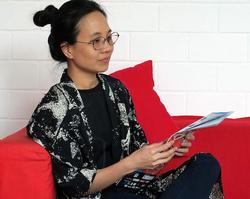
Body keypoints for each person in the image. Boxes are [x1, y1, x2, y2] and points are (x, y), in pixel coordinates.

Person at [27, 0, 224, 198]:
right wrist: (132, 163)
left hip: (133, 188)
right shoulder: (54, 108)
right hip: (98, 196)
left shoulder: (117, 89)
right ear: (68, 49)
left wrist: (167, 150)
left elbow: (138, 153)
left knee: (206, 164)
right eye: (96, 41)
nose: (107, 48)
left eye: (109, 37)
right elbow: (75, 186)